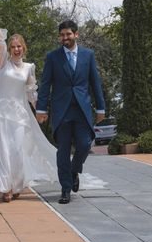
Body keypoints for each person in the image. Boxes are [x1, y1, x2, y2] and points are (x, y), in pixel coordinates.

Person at [0, 5, 59, 202]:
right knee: (2, 151)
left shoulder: (28, 68)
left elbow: (32, 93)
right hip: (1, 113)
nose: (16, 49)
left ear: (24, 48)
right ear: (9, 49)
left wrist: (39, 111)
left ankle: (16, 185)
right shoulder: (2, 63)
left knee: (16, 149)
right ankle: (5, 188)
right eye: (13, 46)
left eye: (19, 46)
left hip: (18, 115)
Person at [36, 19, 106, 204]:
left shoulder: (88, 55)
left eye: (68, 34)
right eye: (62, 35)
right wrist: (41, 109)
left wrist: (101, 108)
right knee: (63, 151)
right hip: (62, 111)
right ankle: (65, 189)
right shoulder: (53, 57)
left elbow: (95, 83)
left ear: (76, 34)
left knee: (84, 145)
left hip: (82, 109)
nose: (65, 38)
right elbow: (45, 85)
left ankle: (75, 170)